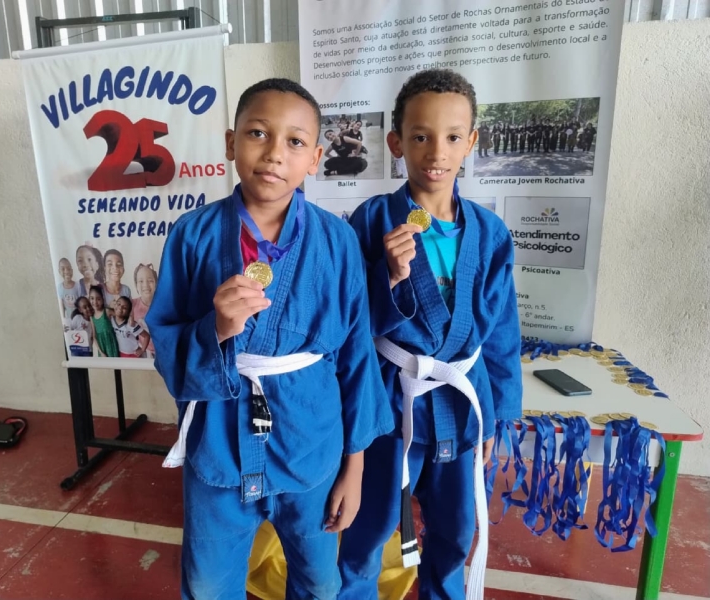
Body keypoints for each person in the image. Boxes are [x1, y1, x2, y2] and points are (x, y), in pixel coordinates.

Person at [146, 77, 393, 600]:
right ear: (231, 141)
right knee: (207, 586)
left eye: (295, 141)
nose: (275, 153)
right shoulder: (191, 234)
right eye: (258, 133)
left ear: (316, 158)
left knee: (318, 583)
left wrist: (354, 468)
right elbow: (165, 342)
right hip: (219, 448)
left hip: (312, 445)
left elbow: (356, 355)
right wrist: (214, 330)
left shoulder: (338, 240)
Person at [338, 69, 523, 600]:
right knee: (368, 529)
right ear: (396, 142)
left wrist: (497, 417)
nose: (436, 152)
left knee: (455, 531)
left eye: (451, 136)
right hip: (390, 407)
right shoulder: (371, 220)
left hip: (463, 408)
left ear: (471, 141)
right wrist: (390, 277)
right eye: (420, 136)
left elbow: (502, 334)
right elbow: (351, 325)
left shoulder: (490, 233)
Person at [88, 285, 118, 357]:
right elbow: (94, 337)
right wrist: (101, 352)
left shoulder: (107, 311)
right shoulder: (92, 317)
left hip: (112, 345)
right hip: (102, 348)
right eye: (92, 298)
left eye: (98, 299)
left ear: (103, 299)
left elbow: (120, 316)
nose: (95, 302)